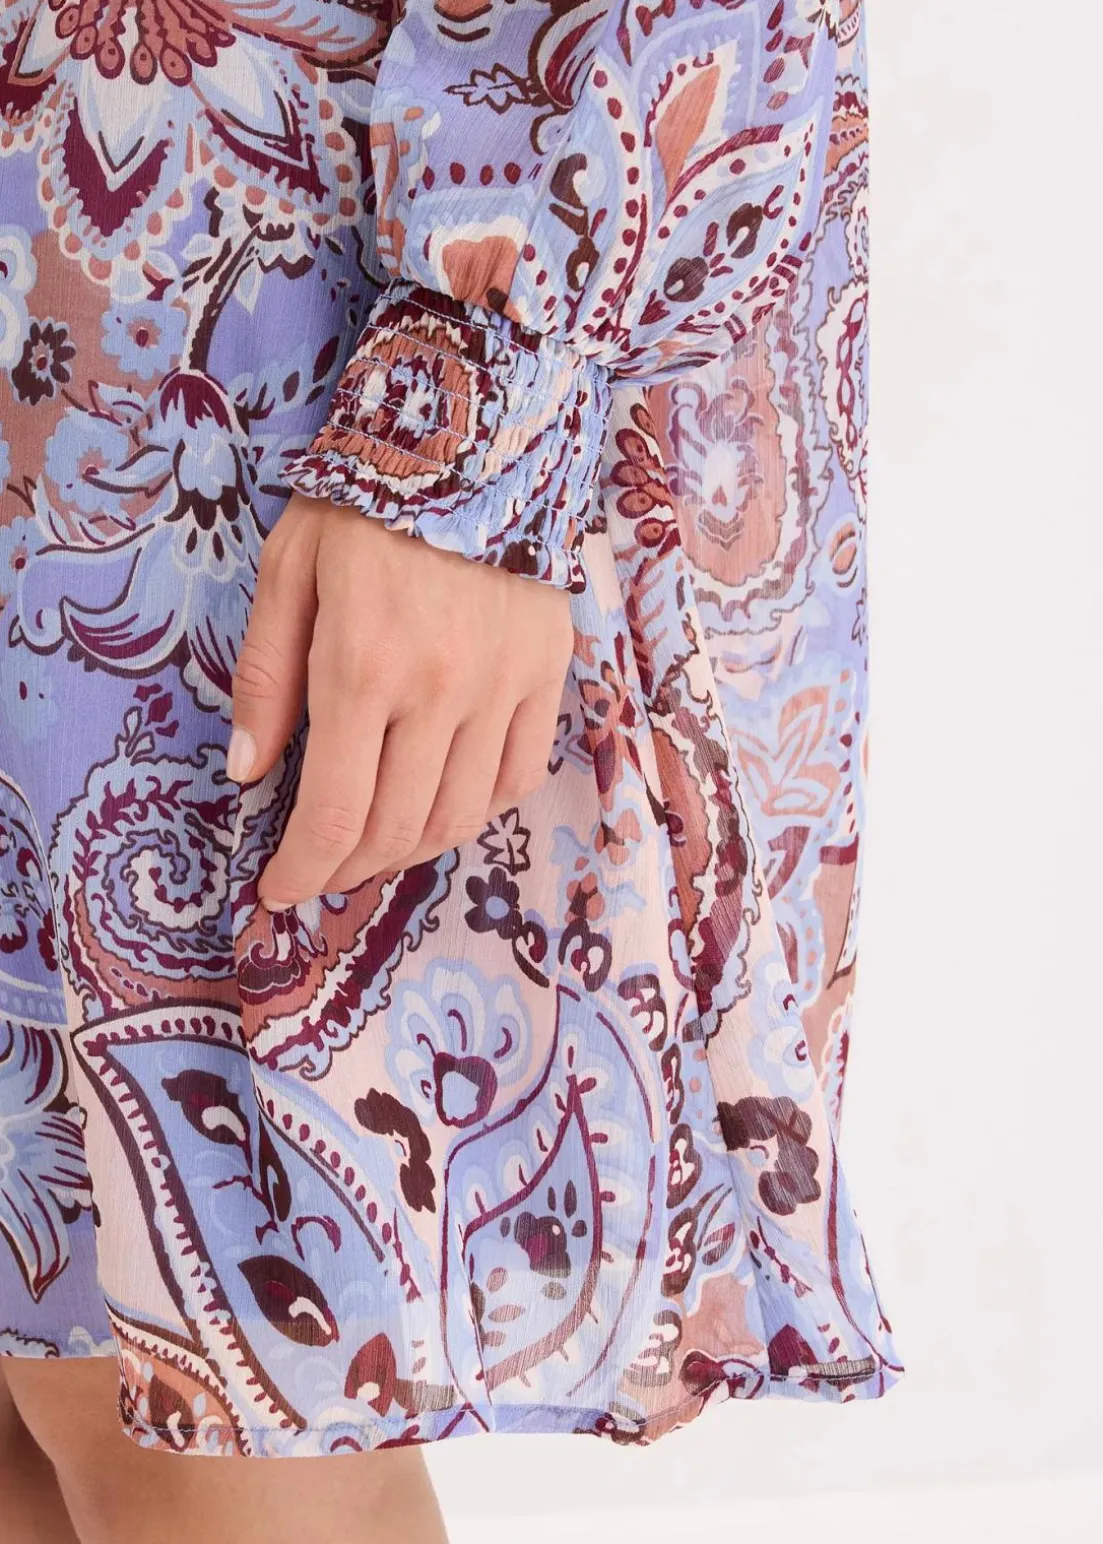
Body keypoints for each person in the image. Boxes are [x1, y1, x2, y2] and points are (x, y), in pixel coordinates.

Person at [0, 1, 902, 1539]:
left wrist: (466, 414)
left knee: (204, 1402)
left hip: (249, 293)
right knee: (41, 1380)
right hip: (80, 250)